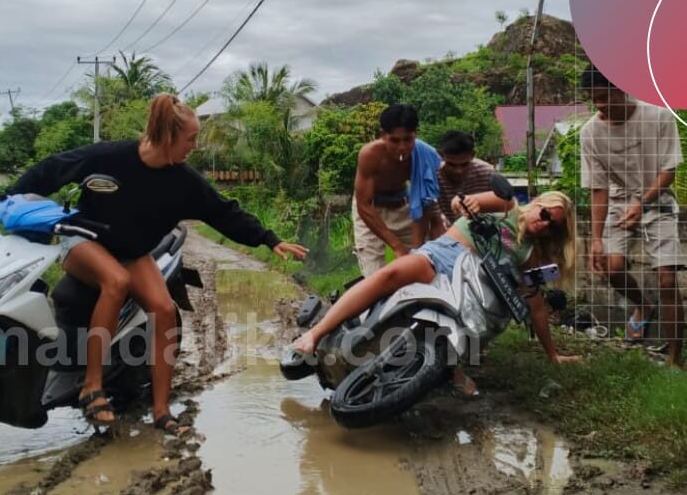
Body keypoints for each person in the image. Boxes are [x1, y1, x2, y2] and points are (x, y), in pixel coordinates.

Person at [4, 93, 308, 435]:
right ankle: (92, 386)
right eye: (191, 139)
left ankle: (162, 412)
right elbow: (53, 168)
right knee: (115, 282)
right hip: (84, 243)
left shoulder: (183, 180)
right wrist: (11, 196)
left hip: (133, 252)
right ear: (168, 137)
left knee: (164, 310)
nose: (195, 146)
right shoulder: (110, 156)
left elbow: (223, 212)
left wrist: (269, 239)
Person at [287, 190, 582, 394]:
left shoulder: (529, 253)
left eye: (551, 226)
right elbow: (461, 202)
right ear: (538, 203)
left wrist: (552, 354)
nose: (542, 223)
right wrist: (465, 204)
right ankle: (315, 334)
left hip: (473, 283)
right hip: (444, 256)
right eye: (544, 213)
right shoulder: (506, 205)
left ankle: (453, 369)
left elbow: (536, 305)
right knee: (389, 274)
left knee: (479, 325)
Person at [580, 66, 683, 366]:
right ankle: (643, 306)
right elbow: (598, 189)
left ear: (621, 89)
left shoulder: (659, 116)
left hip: (658, 203)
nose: (598, 105)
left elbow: (668, 171)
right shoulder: (590, 133)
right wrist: (596, 240)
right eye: (592, 99)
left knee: (666, 279)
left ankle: (674, 359)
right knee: (611, 268)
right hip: (618, 204)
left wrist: (643, 203)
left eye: (603, 97)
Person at [352, 104, 443, 276]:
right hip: (370, 210)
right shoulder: (370, 155)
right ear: (383, 135)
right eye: (394, 140)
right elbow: (363, 205)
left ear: (415, 134)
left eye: (408, 139)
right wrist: (396, 246)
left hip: (405, 207)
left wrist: (415, 251)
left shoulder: (425, 155)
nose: (402, 147)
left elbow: (424, 200)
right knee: (374, 276)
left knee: (419, 266)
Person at [436, 130, 496, 227]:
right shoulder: (434, 177)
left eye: (464, 164)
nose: (458, 171)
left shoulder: (487, 172)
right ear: (442, 156)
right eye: (451, 165)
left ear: (472, 155)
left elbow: (503, 203)